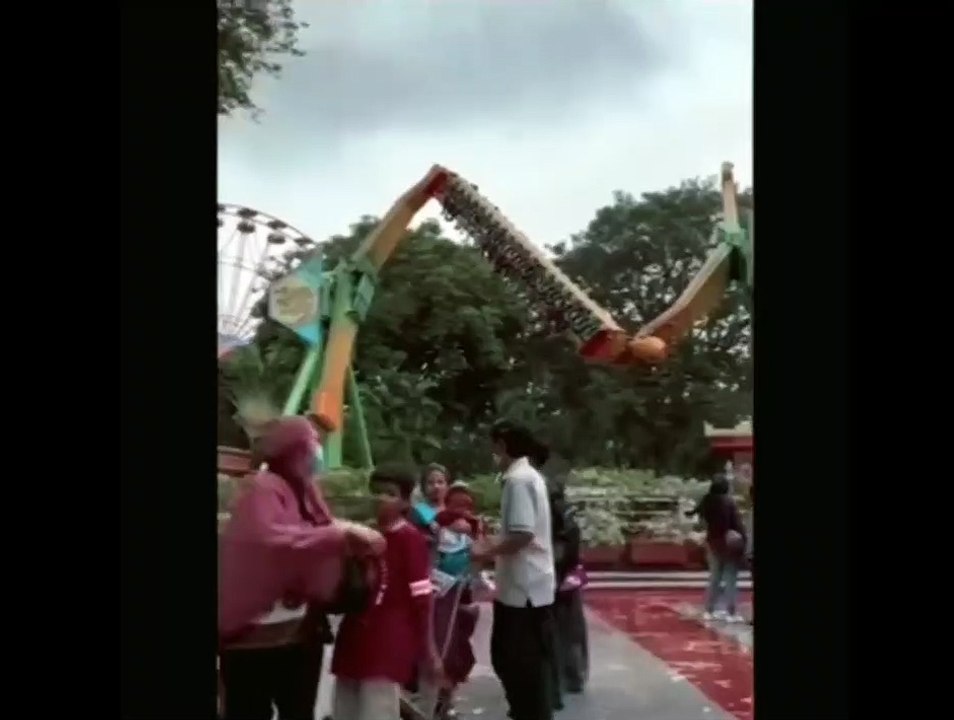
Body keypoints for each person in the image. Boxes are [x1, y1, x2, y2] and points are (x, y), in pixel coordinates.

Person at [218, 417, 385, 720]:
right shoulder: (260, 488)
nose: (318, 452)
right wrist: (340, 534)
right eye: (312, 444)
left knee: (299, 712)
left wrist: (348, 537)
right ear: (291, 450)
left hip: (300, 634)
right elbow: (270, 540)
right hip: (253, 639)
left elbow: (318, 534)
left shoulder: (307, 491)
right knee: (249, 711)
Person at [331, 463, 443, 720]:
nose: (381, 499)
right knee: (344, 709)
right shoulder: (357, 534)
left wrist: (429, 650)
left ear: (405, 503)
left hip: (389, 640)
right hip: (353, 636)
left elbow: (422, 600)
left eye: (390, 494)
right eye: (376, 492)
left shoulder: (410, 539)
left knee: (377, 709)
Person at [472, 421, 556, 720]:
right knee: (520, 664)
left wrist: (485, 550)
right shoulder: (526, 476)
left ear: (502, 445)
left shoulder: (519, 480)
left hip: (524, 591)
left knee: (516, 663)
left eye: (493, 445)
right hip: (527, 588)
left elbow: (522, 534)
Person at [691, 474, 747, 623]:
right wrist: (744, 540)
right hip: (729, 544)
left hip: (713, 543)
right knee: (730, 578)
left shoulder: (707, 500)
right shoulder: (729, 502)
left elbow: (694, 515)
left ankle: (709, 610)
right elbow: (736, 523)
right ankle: (731, 612)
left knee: (714, 577)